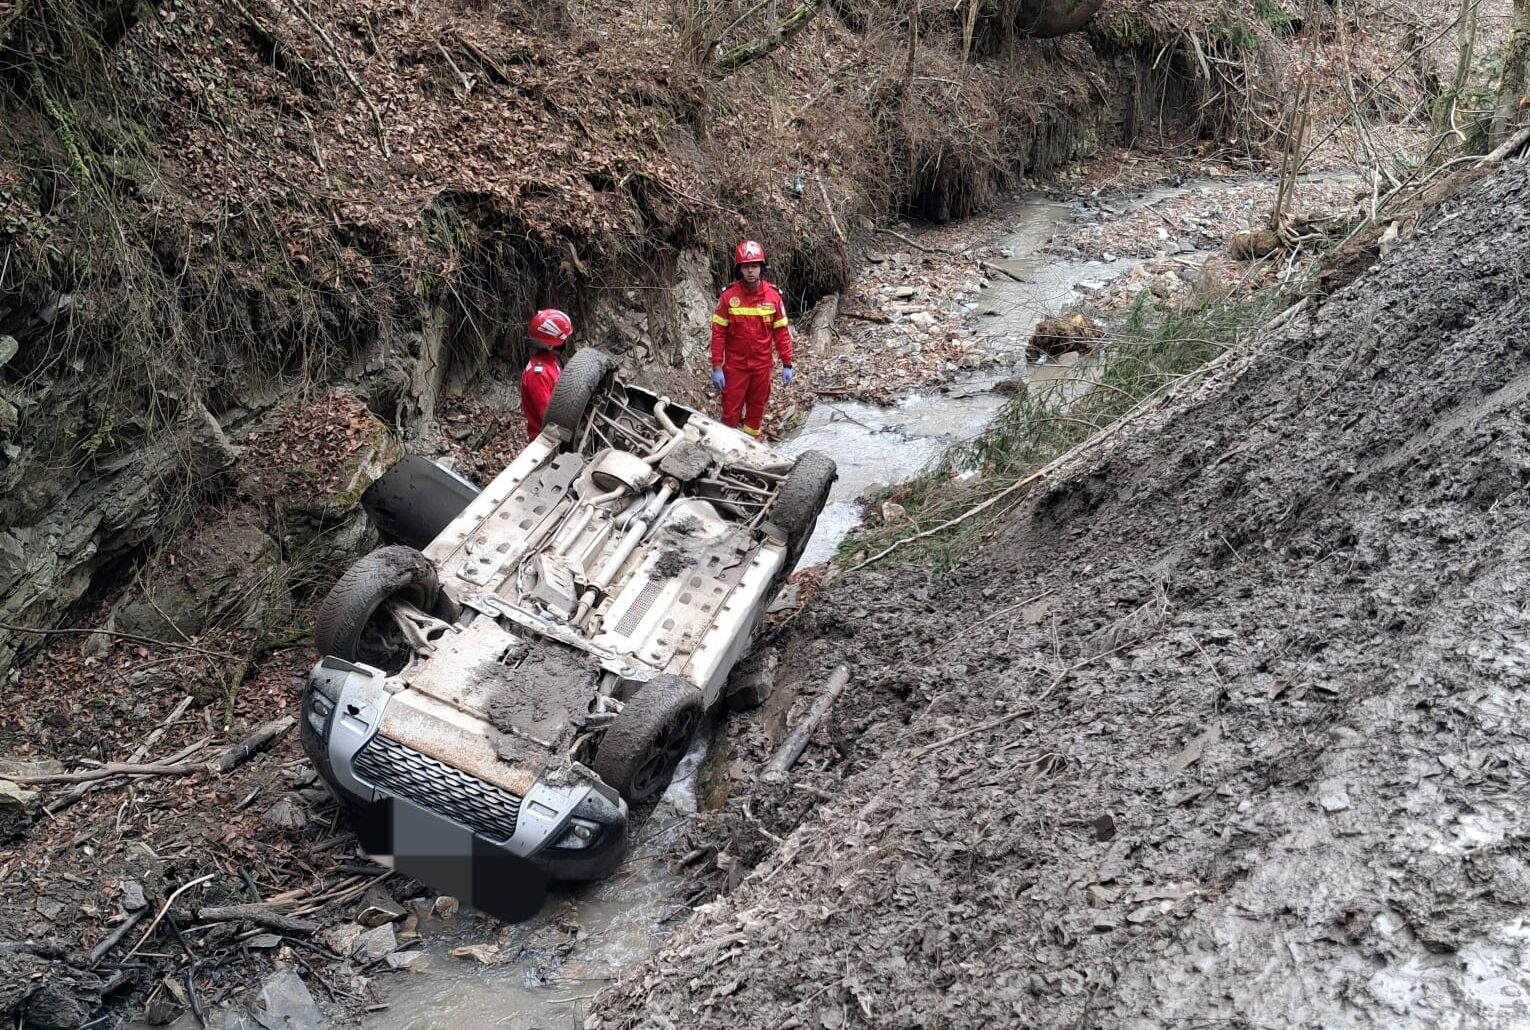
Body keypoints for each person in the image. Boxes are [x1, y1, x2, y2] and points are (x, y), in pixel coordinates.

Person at [710, 239, 794, 438]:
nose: (750, 271)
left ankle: (752, 446)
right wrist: (717, 367)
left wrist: (787, 363)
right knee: (730, 412)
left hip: (762, 368)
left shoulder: (773, 297)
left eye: (754, 266)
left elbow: (781, 333)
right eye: (746, 266)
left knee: (756, 411)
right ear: (739, 269)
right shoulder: (728, 297)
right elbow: (718, 334)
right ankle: (727, 446)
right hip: (735, 368)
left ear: (761, 268)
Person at [521, 308, 573, 439]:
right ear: (554, 343)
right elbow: (548, 417)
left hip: (558, 431)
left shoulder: (551, 363)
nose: (566, 342)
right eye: (564, 339)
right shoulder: (537, 374)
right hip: (547, 439)